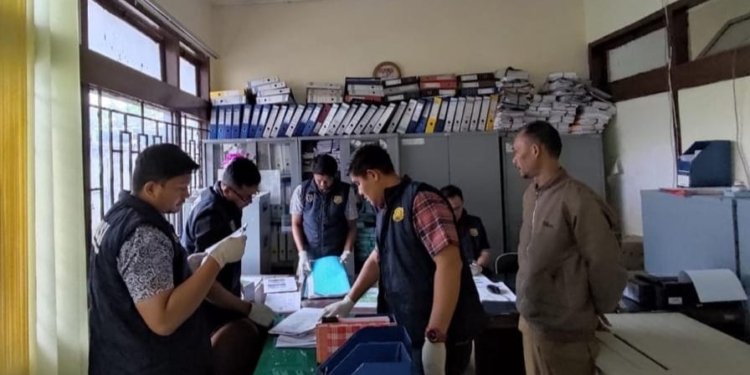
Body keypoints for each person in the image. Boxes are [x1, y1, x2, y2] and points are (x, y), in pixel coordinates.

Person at [322, 144, 485, 375]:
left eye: (359, 184)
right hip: (411, 331)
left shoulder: (421, 200)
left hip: (441, 334)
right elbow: (378, 257)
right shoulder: (384, 210)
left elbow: (449, 264)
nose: (359, 192)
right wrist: (349, 300)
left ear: (373, 175)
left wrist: (436, 335)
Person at [88, 144, 247, 375]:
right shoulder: (143, 234)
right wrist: (217, 258)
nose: (186, 194)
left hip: (120, 355)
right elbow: (163, 320)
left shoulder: (119, 214)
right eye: (180, 188)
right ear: (151, 188)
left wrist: (186, 265)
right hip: (145, 363)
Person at [511, 121, 626, 375]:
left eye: (517, 151)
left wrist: (587, 311)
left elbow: (604, 264)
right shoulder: (531, 195)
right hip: (532, 322)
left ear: (535, 150)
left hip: (565, 334)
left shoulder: (577, 198)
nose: (514, 159)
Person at [181, 156, 275, 375]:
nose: (250, 202)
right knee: (243, 341)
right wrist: (246, 308)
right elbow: (206, 284)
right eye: (246, 197)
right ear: (227, 189)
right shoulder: (210, 215)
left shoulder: (227, 202)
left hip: (226, 295)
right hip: (208, 308)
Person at [290, 154, 358, 276]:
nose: (322, 184)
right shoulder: (301, 191)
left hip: (336, 257)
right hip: (309, 257)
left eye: (326, 181)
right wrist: (302, 253)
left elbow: (352, 227)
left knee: (336, 291)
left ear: (334, 176)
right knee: (308, 290)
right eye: (318, 180)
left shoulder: (346, 192)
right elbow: (295, 224)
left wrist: (347, 251)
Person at [439, 184, 492, 276]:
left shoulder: (475, 222)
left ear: (462, 203)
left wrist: (478, 265)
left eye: (457, 208)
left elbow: (485, 252)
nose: (454, 213)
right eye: (450, 209)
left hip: (474, 274)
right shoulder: (437, 226)